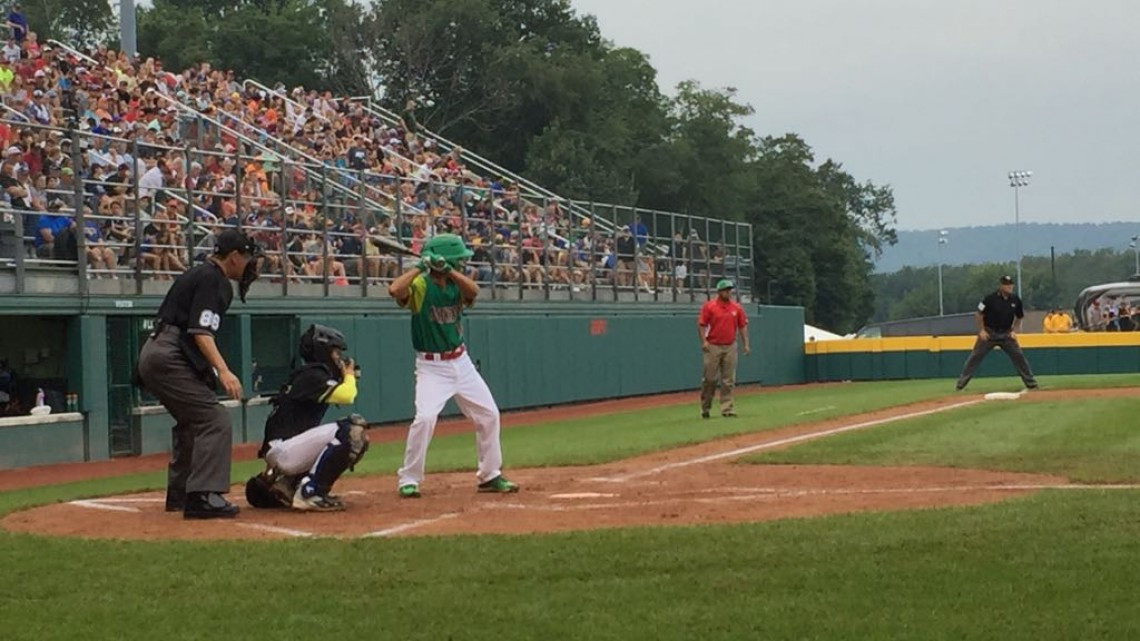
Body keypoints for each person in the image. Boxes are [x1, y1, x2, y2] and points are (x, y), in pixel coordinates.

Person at [135, 230, 264, 519]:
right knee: (214, 419)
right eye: (246, 258)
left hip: (158, 350)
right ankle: (202, 496)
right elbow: (201, 333)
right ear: (233, 257)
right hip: (169, 353)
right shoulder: (214, 279)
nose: (249, 266)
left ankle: (180, 495)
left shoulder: (200, 273)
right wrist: (224, 370)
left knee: (192, 423)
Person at [387, 233, 518, 498]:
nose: (461, 264)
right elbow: (395, 290)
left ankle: (490, 475)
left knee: (489, 414)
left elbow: (474, 290)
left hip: (461, 361)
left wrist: (447, 269)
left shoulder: (457, 285)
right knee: (424, 419)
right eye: (457, 260)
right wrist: (420, 267)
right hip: (431, 366)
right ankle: (409, 479)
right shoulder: (422, 285)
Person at [244, 325, 370, 512]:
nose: (339, 358)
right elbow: (347, 395)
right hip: (285, 451)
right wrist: (349, 375)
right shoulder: (313, 374)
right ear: (323, 351)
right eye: (335, 353)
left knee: (348, 438)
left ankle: (289, 484)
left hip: (283, 450)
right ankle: (310, 493)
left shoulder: (307, 374)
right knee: (352, 430)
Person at [955, 275, 1038, 391]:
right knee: (975, 357)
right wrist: (981, 330)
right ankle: (961, 384)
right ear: (1001, 286)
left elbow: (1019, 317)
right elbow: (978, 314)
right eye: (1006, 285)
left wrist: (1014, 330)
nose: (1009, 287)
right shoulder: (989, 299)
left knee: (1019, 356)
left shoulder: (1015, 300)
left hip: (1006, 334)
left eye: (1010, 284)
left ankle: (1031, 383)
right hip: (990, 333)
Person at [697, 279, 750, 419]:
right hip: (713, 345)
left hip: (730, 345)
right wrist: (704, 342)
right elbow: (701, 324)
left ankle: (727, 408)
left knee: (728, 380)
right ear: (719, 292)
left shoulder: (736, 308)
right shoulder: (710, 307)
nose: (729, 292)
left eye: (730, 290)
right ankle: (705, 407)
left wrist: (746, 344)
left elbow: (743, 326)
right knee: (710, 379)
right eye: (726, 290)